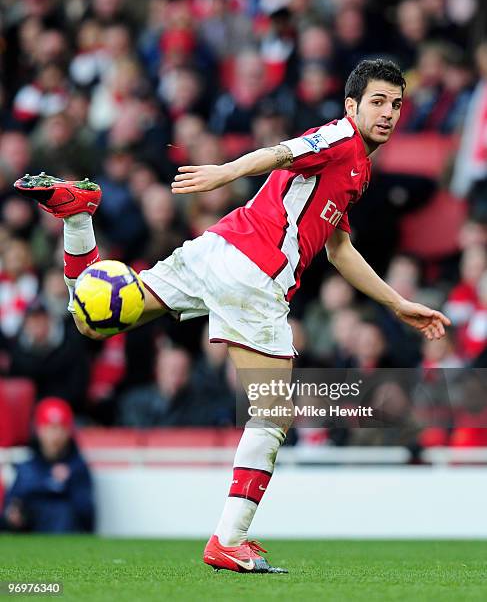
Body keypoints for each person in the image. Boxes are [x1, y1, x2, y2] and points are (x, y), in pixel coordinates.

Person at [14, 59, 451, 572]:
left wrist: (397, 303)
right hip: (254, 273)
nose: (388, 113)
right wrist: (225, 171)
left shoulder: (356, 169)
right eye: (377, 101)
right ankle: (229, 539)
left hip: (218, 249)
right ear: (352, 106)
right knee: (273, 411)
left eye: (397, 104)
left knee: (95, 318)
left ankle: (79, 214)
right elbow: (282, 151)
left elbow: (338, 248)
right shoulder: (341, 138)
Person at [0, 397, 94, 533]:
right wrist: (14, 516)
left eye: (60, 429)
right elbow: (10, 510)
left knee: (62, 511)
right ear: (39, 430)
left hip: (66, 537)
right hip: (30, 538)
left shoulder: (77, 467)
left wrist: (68, 482)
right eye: (50, 429)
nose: (55, 436)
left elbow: (87, 514)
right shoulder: (26, 466)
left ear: (69, 431)